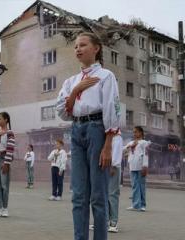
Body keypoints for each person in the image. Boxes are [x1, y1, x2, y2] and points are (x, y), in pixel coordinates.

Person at [56, 32, 121, 240]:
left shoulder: (106, 76)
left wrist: (108, 144)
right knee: (78, 195)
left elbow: (112, 108)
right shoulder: (70, 81)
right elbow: (63, 112)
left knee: (98, 196)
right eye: (75, 46)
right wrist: (76, 91)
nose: (78, 49)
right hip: (76, 130)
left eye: (83, 45)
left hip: (97, 129)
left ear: (96, 48)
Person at [125, 126, 151, 212]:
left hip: (141, 167)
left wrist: (145, 166)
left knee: (141, 186)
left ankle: (142, 205)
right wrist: (131, 146)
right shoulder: (131, 142)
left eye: (136, 132)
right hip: (132, 166)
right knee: (134, 186)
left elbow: (146, 154)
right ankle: (135, 205)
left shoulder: (144, 142)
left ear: (141, 133)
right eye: (133, 132)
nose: (134, 133)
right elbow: (123, 150)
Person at [107, 132, 123, 232]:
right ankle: (103, 220)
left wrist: (113, 165)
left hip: (113, 167)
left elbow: (116, 152)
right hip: (104, 166)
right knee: (103, 195)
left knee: (112, 194)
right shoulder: (106, 135)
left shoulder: (117, 136)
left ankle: (113, 222)